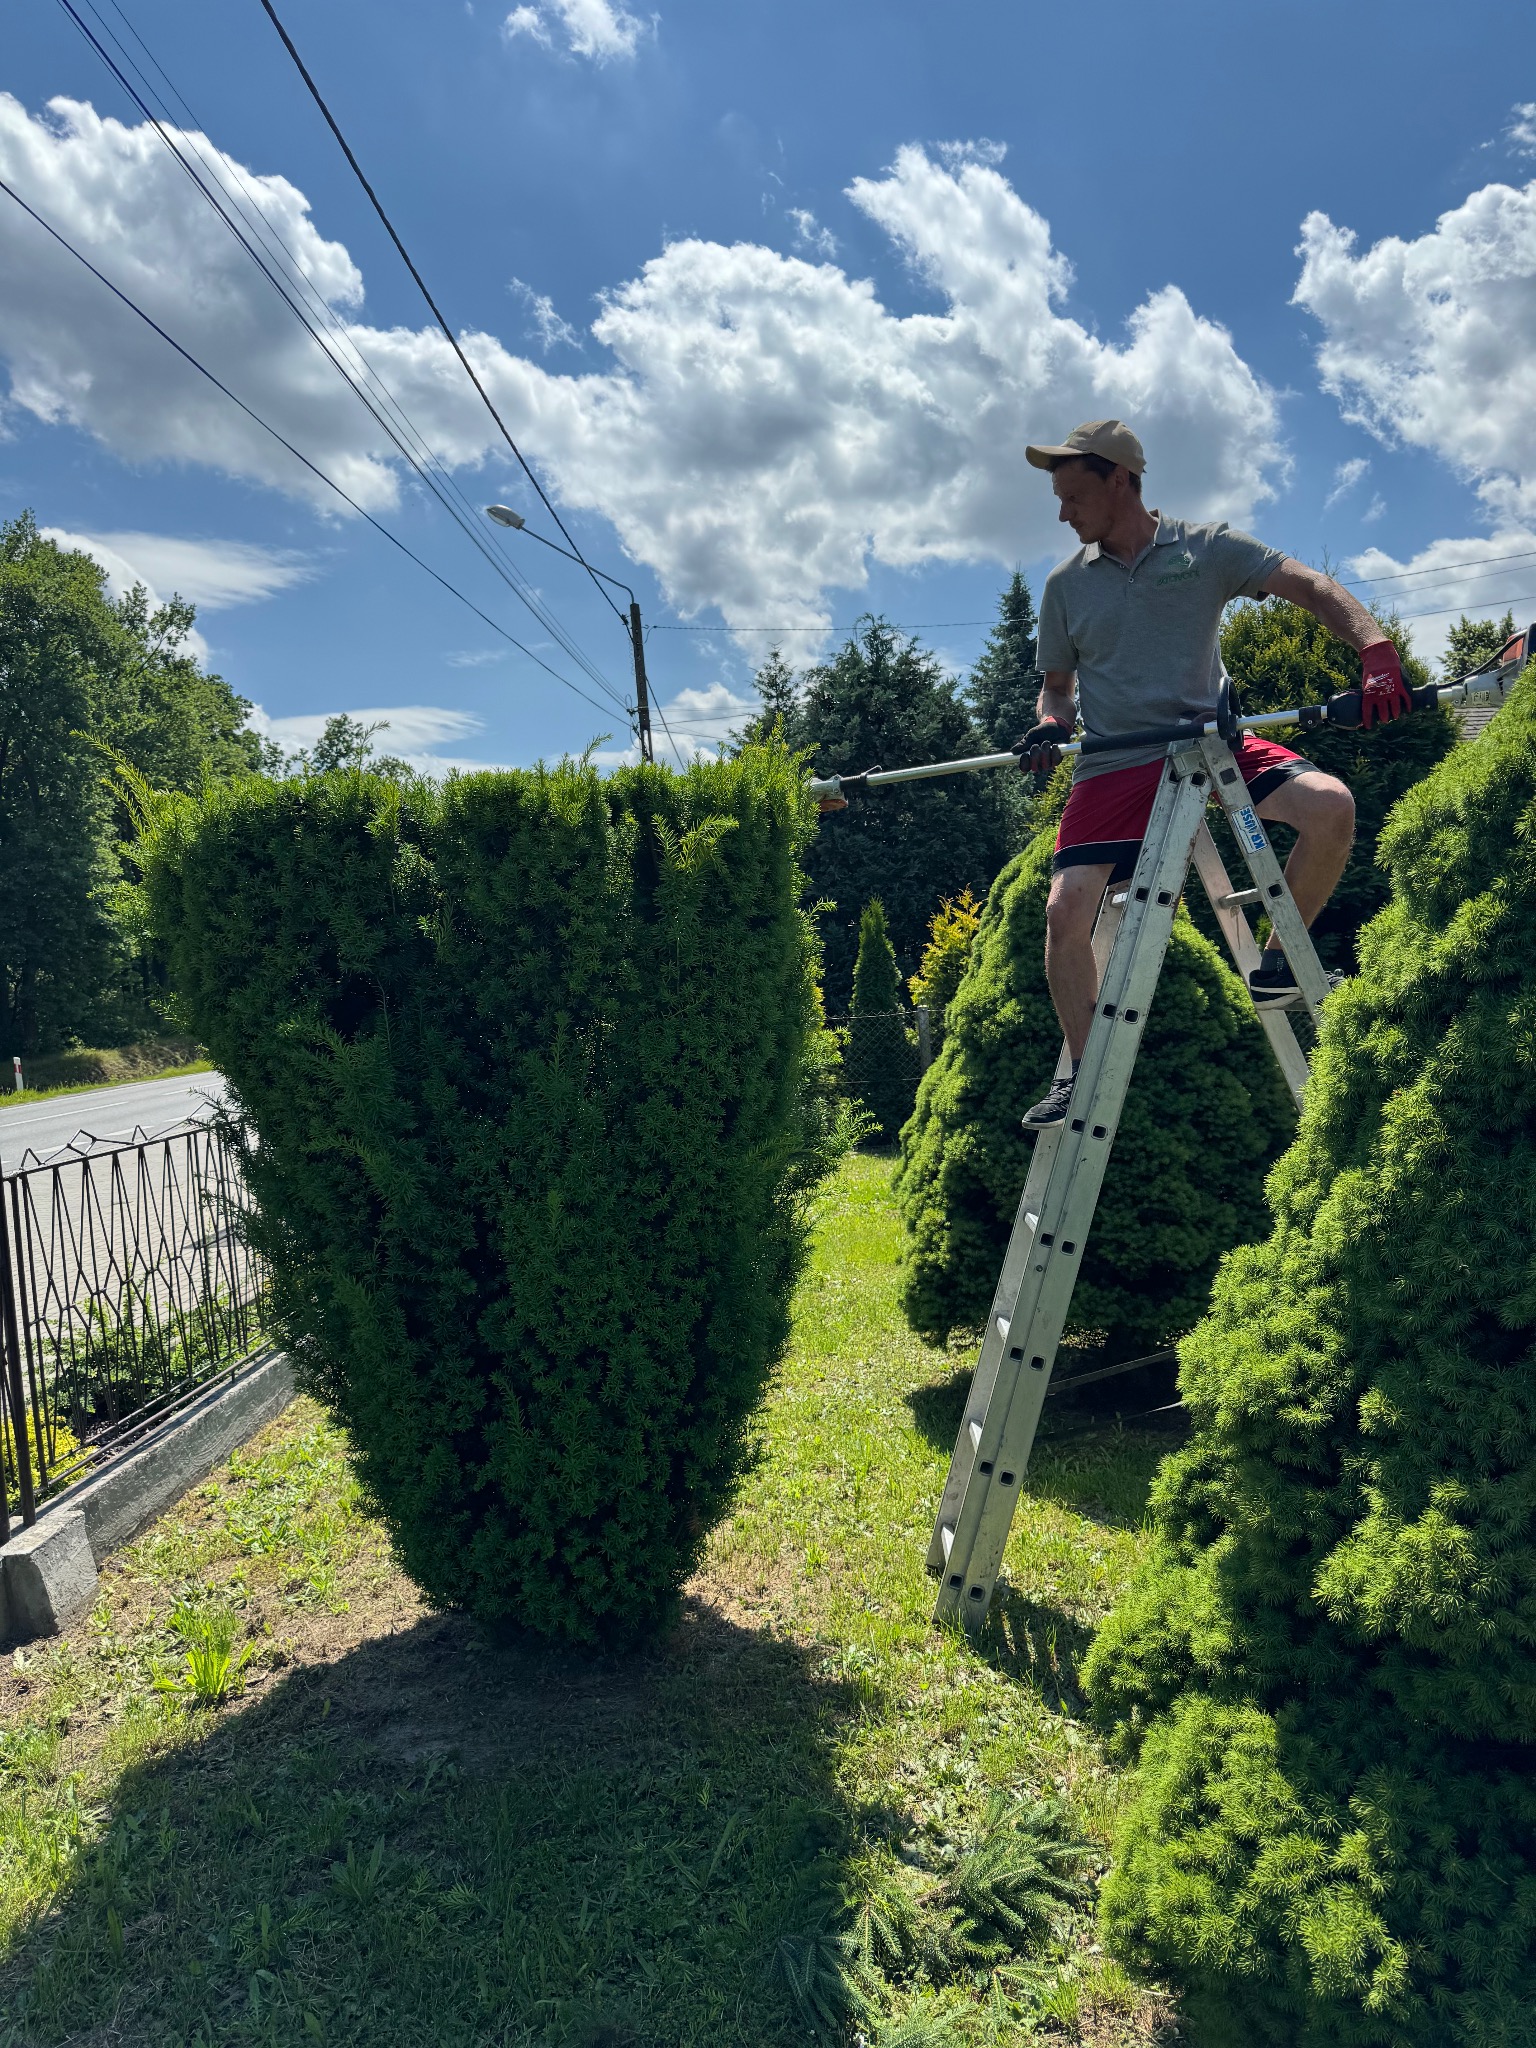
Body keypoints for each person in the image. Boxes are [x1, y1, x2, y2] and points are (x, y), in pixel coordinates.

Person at [1016, 418, 1410, 1131]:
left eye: (1074, 496)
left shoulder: (1207, 550)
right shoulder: (1065, 586)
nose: (1063, 513)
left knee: (1331, 807)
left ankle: (1280, 964)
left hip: (1211, 747)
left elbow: (1312, 586)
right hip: (1112, 762)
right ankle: (1085, 1073)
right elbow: (1058, 690)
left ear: (1121, 481)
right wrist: (1051, 725)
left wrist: (1376, 651)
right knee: (1063, 914)